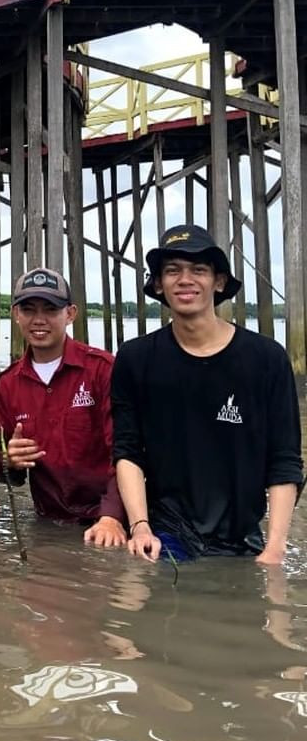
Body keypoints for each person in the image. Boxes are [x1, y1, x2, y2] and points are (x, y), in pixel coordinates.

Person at [112, 224, 303, 564]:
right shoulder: (135, 359)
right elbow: (127, 450)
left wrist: (275, 547)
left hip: (243, 536)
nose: (185, 279)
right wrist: (140, 527)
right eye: (172, 270)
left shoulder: (267, 359)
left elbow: (285, 460)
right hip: (166, 531)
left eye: (199, 270)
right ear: (158, 284)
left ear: (218, 282)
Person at [0, 267, 127, 546]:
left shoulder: (103, 370)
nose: (39, 320)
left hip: (108, 518)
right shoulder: (6, 384)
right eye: (28, 310)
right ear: (15, 314)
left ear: (70, 314)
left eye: (51, 309)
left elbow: (127, 451)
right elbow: (5, 469)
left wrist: (112, 516)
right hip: (48, 522)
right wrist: (9, 460)